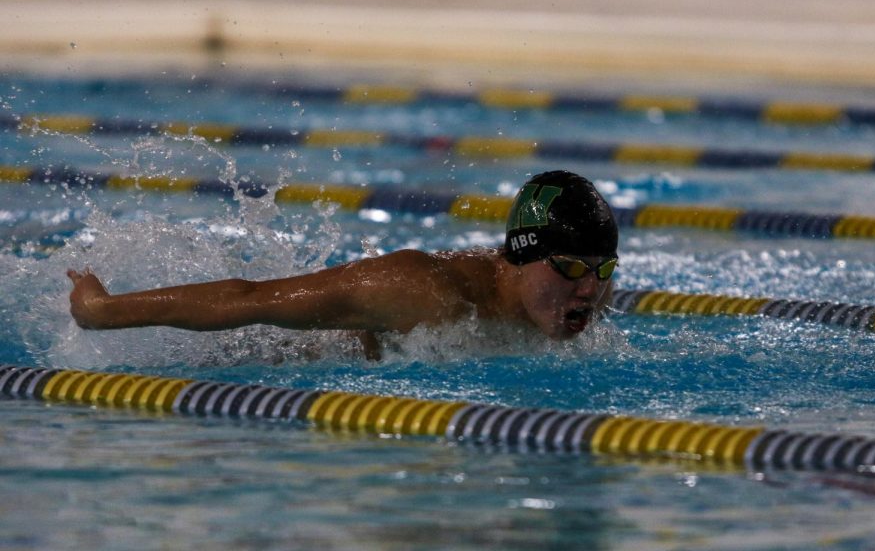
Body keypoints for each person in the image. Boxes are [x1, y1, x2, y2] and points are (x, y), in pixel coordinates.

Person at [68, 170, 619, 360]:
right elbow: (251, 299)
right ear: (519, 259)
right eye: (571, 267)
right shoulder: (423, 291)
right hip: (275, 362)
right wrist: (104, 310)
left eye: (603, 269)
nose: (590, 290)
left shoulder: (585, 292)